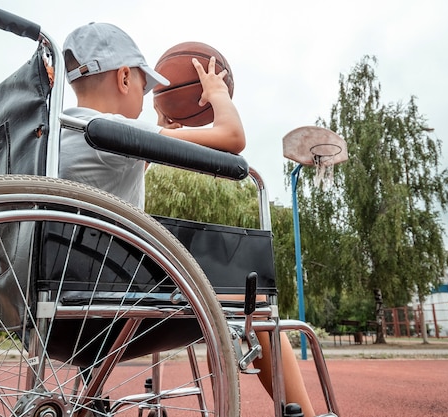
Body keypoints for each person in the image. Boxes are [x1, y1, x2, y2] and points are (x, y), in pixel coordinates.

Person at [60, 22, 321, 417]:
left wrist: (159, 136)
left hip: (55, 304)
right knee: (255, 306)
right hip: (104, 311)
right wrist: (216, 94)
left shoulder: (63, 131)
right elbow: (232, 138)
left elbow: (120, 170)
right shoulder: (111, 130)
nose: (149, 100)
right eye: (147, 88)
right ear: (124, 76)